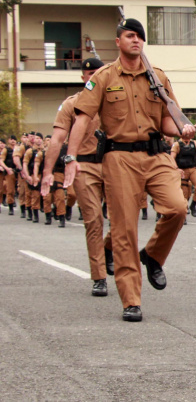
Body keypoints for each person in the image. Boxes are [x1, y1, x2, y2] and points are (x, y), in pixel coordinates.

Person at [63, 18, 195, 322]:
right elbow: (82, 118)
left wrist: (182, 129)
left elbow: (166, 119)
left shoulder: (157, 78)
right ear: (118, 41)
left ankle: (152, 255)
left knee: (176, 209)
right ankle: (131, 299)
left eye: (139, 37)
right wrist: (70, 158)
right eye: (130, 36)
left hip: (156, 154)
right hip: (119, 157)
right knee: (124, 228)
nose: (135, 41)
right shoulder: (103, 77)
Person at [42, 57, 109, 295]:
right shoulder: (72, 104)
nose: (92, 77)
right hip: (84, 166)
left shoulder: (113, 101)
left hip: (114, 164)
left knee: (124, 218)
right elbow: (58, 139)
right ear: (83, 77)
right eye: (88, 73)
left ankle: (108, 250)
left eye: (97, 73)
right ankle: (99, 276)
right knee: (93, 220)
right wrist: (48, 171)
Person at [171, 137, 196, 217]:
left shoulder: (194, 143)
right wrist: (176, 168)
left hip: (193, 169)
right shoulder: (177, 145)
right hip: (182, 170)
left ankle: (193, 205)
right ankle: (183, 214)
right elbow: (172, 158)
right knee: (184, 194)